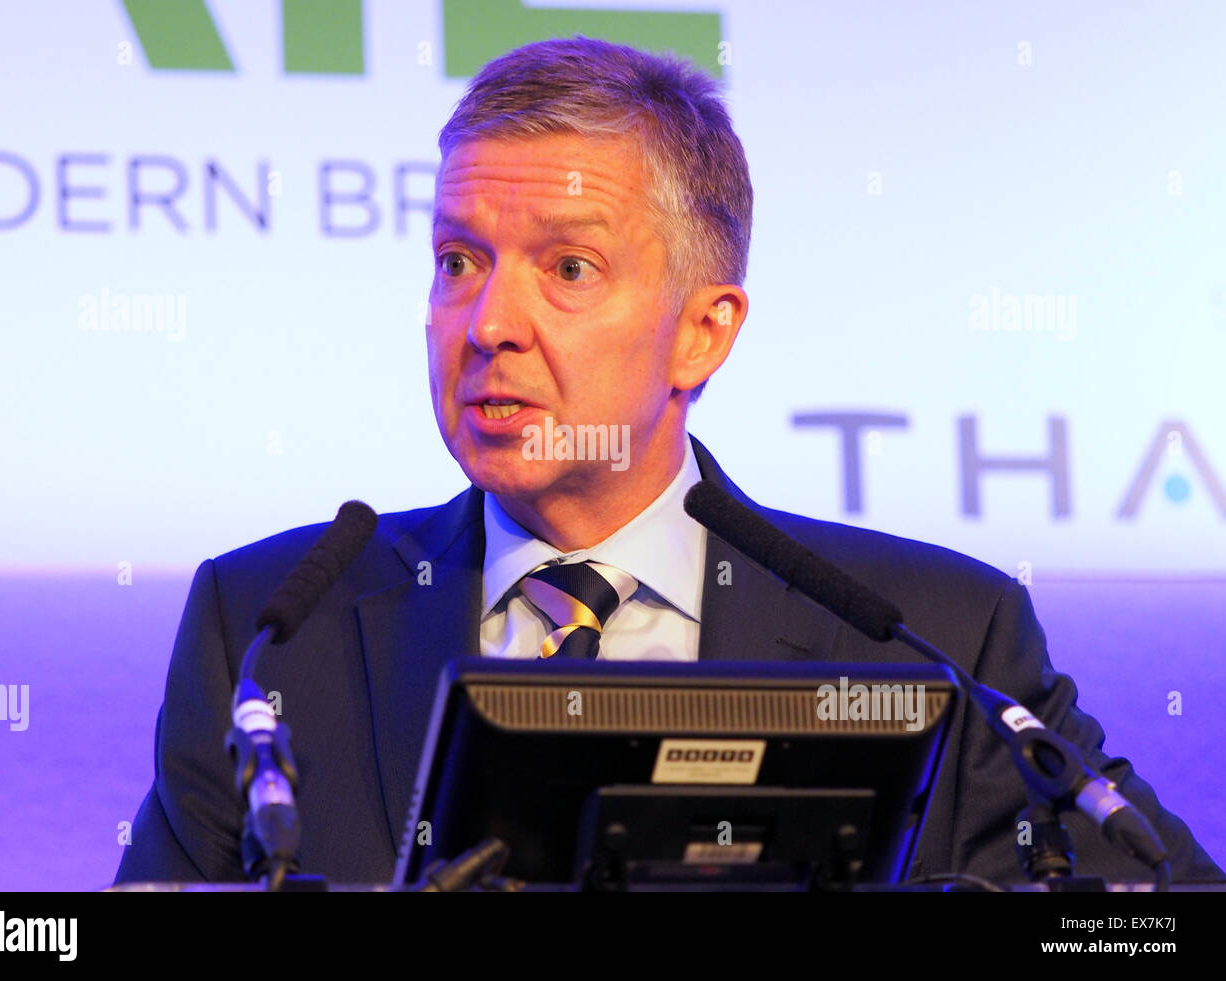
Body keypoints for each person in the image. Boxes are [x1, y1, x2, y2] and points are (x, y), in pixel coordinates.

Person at [115, 37, 1221, 887]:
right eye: (458, 260)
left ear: (702, 331)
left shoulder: (934, 632)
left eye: (569, 267)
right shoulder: (269, 623)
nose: (488, 321)